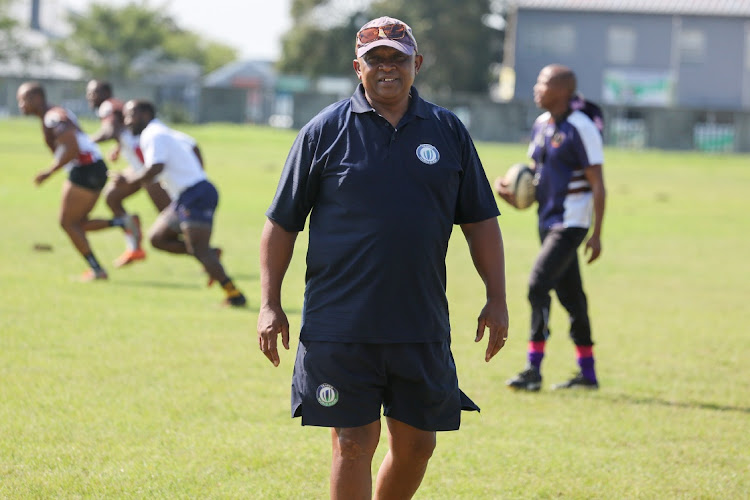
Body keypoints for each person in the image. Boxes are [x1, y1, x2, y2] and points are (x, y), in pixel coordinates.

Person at [257, 16, 509, 499]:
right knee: (352, 444)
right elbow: (281, 224)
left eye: (398, 58)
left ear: (417, 63)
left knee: (418, 445)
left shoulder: (447, 130)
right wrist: (270, 303)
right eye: (376, 60)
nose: (387, 68)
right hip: (341, 324)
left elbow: (480, 221)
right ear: (358, 67)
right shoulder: (323, 131)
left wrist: (496, 297)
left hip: (420, 319)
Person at [495, 64, 606, 391]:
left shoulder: (581, 127)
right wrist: (512, 193)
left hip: (571, 225)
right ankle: (588, 375)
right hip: (547, 222)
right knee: (572, 298)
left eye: (542, 83)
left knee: (537, 285)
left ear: (562, 90)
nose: (536, 88)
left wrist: (597, 234)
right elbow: (534, 177)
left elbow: (598, 185)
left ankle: (533, 369)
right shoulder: (542, 125)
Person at [120, 99, 247, 307]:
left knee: (199, 250)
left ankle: (235, 295)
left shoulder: (153, 134)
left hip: (196, 194)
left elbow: (155, 168)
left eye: (130, 115)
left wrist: (127, 180)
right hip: (185, 196)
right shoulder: (159, 131)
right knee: (157, 238)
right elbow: (190, 144)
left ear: (144, 115)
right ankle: (210, 255)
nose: (127, 121)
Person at [17, 81, 126, 281]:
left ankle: (98, 269)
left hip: (85, 169)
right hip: (93, 167)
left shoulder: (52, 117)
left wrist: (49, 172)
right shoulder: (54, 113)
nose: (20, 105)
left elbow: (72, 148)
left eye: (23, 100)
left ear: (37, 99)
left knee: (68, 223)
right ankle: (122, 223)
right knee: (77, 223)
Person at [85, 79, 172, 267]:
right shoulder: (117, 107)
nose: (89, 97)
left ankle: (208, 253)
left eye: (93, 93)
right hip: (138, 166)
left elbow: (110, 130)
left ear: (105, 93)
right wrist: (119, 146)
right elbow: (124, 131)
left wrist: (85, 142)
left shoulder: (107, 107)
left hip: (149, 169)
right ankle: (134, 246)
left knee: (171, 218)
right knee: (112, 196)